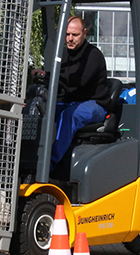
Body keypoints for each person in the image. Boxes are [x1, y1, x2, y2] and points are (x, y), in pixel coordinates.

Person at [47, 15, 110, 167]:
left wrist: (51, 75)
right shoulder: (63, 54)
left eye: (75, 35)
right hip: (71, 102)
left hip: (94, 104)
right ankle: (28, 157)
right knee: (42, 111)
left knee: (71, 115)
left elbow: (77, 82)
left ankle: (50, 164)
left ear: (84, 33)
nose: (70, 38)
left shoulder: (93, 55)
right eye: (67, 34)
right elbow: (60, 81)